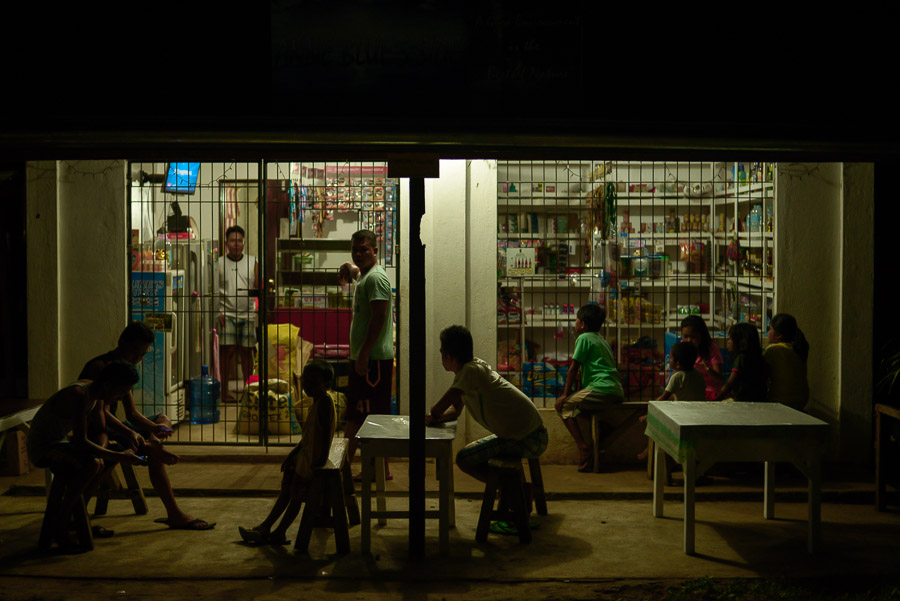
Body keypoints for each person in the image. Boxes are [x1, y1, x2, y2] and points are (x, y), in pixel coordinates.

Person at [79, 321, 215, 531]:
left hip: (114, 425)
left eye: (142, 355)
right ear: (121, 342)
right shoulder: (101, 368)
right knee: (125, 450)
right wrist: (133, 434)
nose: (137, 360)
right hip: (98, 428)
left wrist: (153, 430)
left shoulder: (126, 368)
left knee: (163, 419)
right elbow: (101, 413)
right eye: (135, 353)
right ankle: (174, 513)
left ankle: (152, 446)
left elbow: (132, 413)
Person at [27, 360, 146, 553]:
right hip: (43, 448)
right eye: (121, 392)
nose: (120, 398)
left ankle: (73, 518)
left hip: (61, 442)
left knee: (99, 463)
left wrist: (129, 433)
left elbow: (103, 421)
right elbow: (81, 442)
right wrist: (119, 455)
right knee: (93, 464)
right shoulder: (80, 394)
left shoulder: (97, 392)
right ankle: (62, 522)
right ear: (108, 385)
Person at [427, 325, 547, 486]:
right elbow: (455, 411)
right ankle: (512, 486)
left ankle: (513, 488)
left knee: (463, 459)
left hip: (528, 438)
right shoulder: (473, 368)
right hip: (527, 434)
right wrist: (435, 418)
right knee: (472, 451)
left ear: (448, 356)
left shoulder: (469, 373)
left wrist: (433, 416)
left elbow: (437, 409)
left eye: (442, 353)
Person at [238, 361, 336, 545]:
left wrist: (320, 462)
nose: (307, 386)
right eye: (305, 381)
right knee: (287, 492)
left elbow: (323, 438)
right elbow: (309, 437)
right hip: (304, 460)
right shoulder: (316, 403)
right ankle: (267, 526)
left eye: (313, 382)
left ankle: (278, 531)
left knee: (295, 499)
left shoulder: (324, 403)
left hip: (311, 463)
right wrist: (293, 454)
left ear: (326, 384)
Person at [338, 229, 394, 480]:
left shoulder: (376, 280)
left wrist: (363, 355)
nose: (359, 254)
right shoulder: (366, 275)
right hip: (366, 359)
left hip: (372, 361)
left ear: (375, 250)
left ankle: (340, 471)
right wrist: (350, 268)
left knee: (358, 417)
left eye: (364, 250)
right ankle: (378, 469)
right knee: (367, 415)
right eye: (355, 250)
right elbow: (358, 272)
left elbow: (379, 318)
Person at [554, 303, 623, 473]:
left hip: (600, 388)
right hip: (615, 389)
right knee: (580, 408)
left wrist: (565, 394)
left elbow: (573, 368)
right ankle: (603, 428)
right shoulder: (601, 339)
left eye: (577, 319)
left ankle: (583, 449)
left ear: (582, 323)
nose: (575, 322)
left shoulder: (583, 338)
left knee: (562, 406)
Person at [217, 225, 259, 403]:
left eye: (240, 240)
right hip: (225, 314)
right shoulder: (218, 262)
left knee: (247, 354)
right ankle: (224, 392)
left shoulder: (253, 261)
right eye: (233, 240)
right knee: (227, 353)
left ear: (244, 242)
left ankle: (248, 392)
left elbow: (257, 288)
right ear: (226, 242)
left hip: (248, 315)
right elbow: (213, 289)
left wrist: (258, 311)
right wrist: (216, 311)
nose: (236, 244)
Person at [763, 313, 810, 411]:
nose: (768, 332)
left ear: (779, 335)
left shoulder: (774, 349)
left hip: (780, 402)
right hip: (801, 402)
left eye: (770, 329)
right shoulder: (798, 348)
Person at [713, 323, 767, 402]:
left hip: (742, 400)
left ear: (741, 341)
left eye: (731, 338)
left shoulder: (741, 358)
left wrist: (716, 400)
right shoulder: (758, 359)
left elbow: (730, 384)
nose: (728, 341)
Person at [680, 315, 724, 401]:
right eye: (685, 336)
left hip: (709, 390)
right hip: (689, 389)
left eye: (693, 337)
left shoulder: (711, 348)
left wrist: (708, 369)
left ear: (702, 335)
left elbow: (719, 379)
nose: (689, 340)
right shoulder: (683, 346)